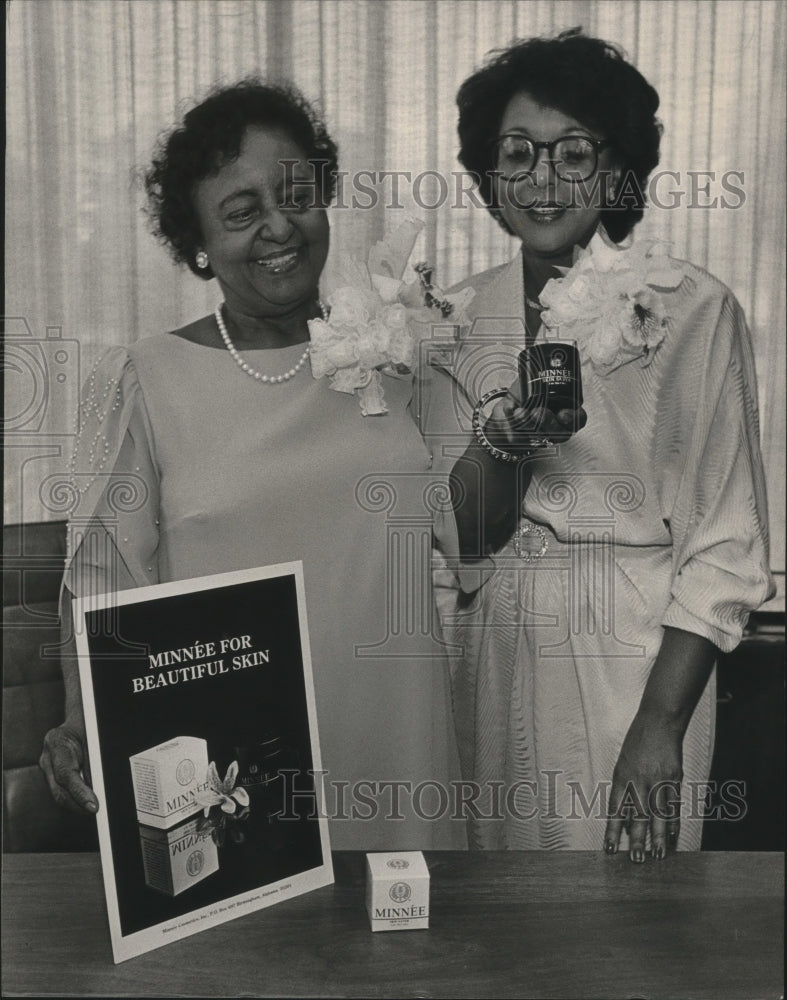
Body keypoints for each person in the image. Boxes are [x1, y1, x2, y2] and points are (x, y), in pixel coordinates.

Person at [39, 78, 466, 851]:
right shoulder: (149, 377)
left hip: (395, 732)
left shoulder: (402, 351)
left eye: (294, 194)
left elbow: (474, 531)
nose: (278, 227)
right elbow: (100, 575)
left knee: (410, 964)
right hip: (229, 759)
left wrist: (513, 436)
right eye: (240, 214)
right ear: (198, 245)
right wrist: (77, 715)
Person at [430, 30, 774, 859]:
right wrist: (504, 445)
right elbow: (463, 540)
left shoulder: (689, 308)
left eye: (573, 153)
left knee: (629, 935)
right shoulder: (454, 318)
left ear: (616, 168)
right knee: (502, 934)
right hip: (493, 647)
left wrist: (658, 728)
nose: (542, 179)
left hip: (635, 655)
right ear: (487, 171)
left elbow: (725, 549)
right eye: (517, 152)